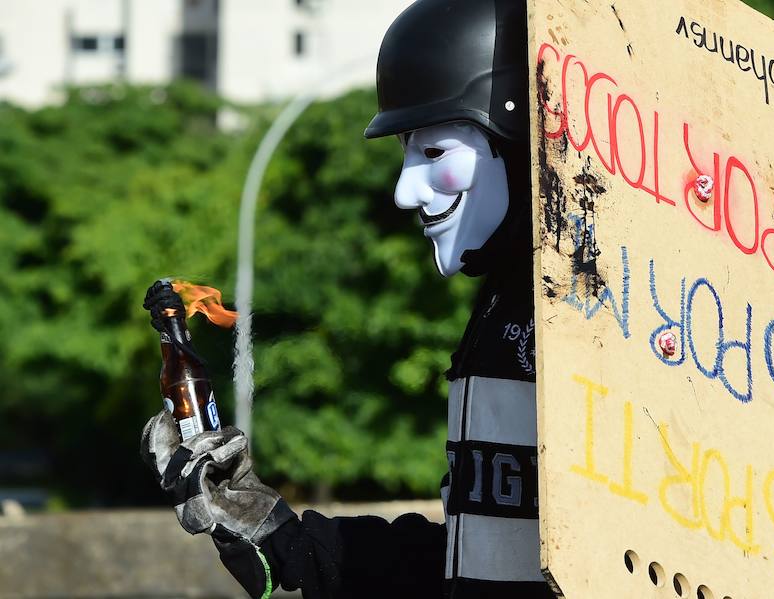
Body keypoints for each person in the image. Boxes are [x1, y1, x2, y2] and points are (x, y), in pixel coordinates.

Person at [141, 1, 554, 597]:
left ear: (523, 140)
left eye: (435, 152)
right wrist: (282, 537)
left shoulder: (608, 322)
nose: (403, 192)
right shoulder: (505, 308)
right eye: (406, 152)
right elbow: (475, 556)